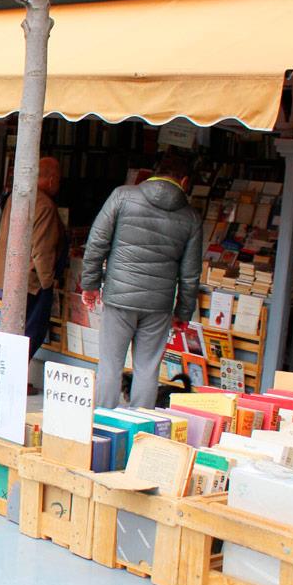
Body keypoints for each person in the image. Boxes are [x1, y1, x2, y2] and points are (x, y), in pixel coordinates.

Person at [81, 155, 202, 409]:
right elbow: (190, 274)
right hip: (159, 305)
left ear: (153, 173)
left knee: (110, 364)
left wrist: (90, 285)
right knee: (147, 369)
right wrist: (183, 312)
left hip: (119, 297)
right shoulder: (190, 217)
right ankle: (141, 430)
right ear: (184, 181)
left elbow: (96, 243)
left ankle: (103, 422)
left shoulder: (122, 196)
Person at [0, 156, 66, 393]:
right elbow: (42, 249)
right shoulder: (45, 205)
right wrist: (48, 282)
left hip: (7, 274)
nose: (58, 185)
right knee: (31, 331)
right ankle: (12, 380)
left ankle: (4, 376)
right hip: (31, 280)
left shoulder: (18, 197)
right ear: (50, 179)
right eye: (57, 179)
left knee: (11, 329)